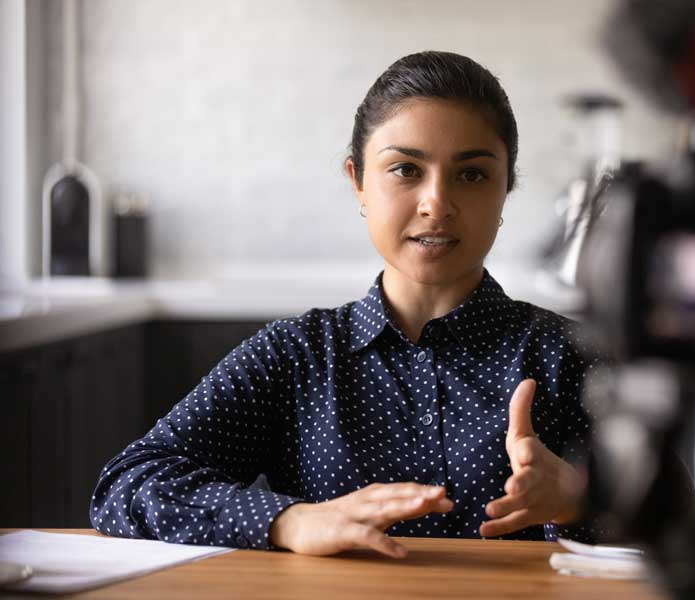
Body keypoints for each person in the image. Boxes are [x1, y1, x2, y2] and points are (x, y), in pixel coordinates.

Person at [90, 51, 601, 559]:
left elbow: (673, 530)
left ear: (506, 186)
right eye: (405, 169)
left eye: (471, 175)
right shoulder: (294, 356)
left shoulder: (571, 354)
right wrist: (287, 520)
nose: (436, 204)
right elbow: (127, 483)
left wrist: (579, 501)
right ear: (358, 180)